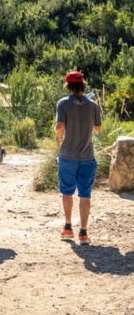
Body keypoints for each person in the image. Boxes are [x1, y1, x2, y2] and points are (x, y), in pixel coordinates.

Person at [55, 71, 102, 245]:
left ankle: (68, 227)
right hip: (87, 156)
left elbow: (59, 127)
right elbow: (98, 129)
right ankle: (83, 232)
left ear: (68, 86)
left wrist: (58, 136)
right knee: (85, 194)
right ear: (83, 85)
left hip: (67, 155)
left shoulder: (63, 103)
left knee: (67, 191)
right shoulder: (93, 105)